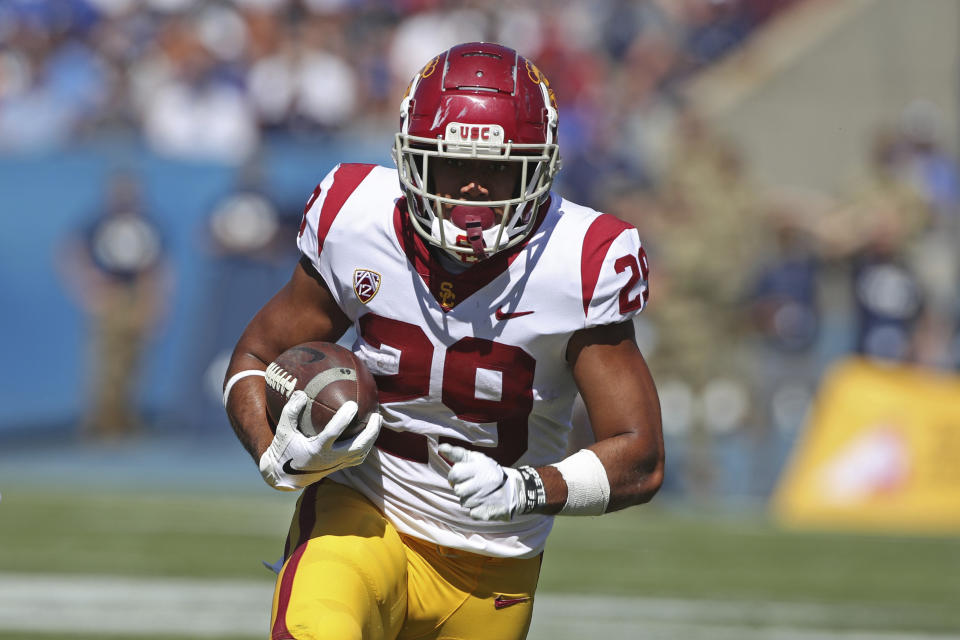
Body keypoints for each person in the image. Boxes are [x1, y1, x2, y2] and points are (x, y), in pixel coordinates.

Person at [223, 42, 664, 640]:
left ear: (541, 166)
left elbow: (639, 455)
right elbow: (256, 355)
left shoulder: (581, 259)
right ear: (411, 158)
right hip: (361, 517)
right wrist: (272, 452)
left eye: (499, 168)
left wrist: (528, 487)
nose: (475, 191)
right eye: (454, 165)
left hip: (495, 565)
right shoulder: (356, 216)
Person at [60, 170, 169, 439]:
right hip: (111, 290)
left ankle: (125, 421)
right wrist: (87, 284)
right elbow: (71, 251)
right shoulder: (99, 221)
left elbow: (159, 267)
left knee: (135, 360)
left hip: (137, 290)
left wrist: (155, 301)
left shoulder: (146, 223)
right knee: (106, 361)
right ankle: (100, 422)